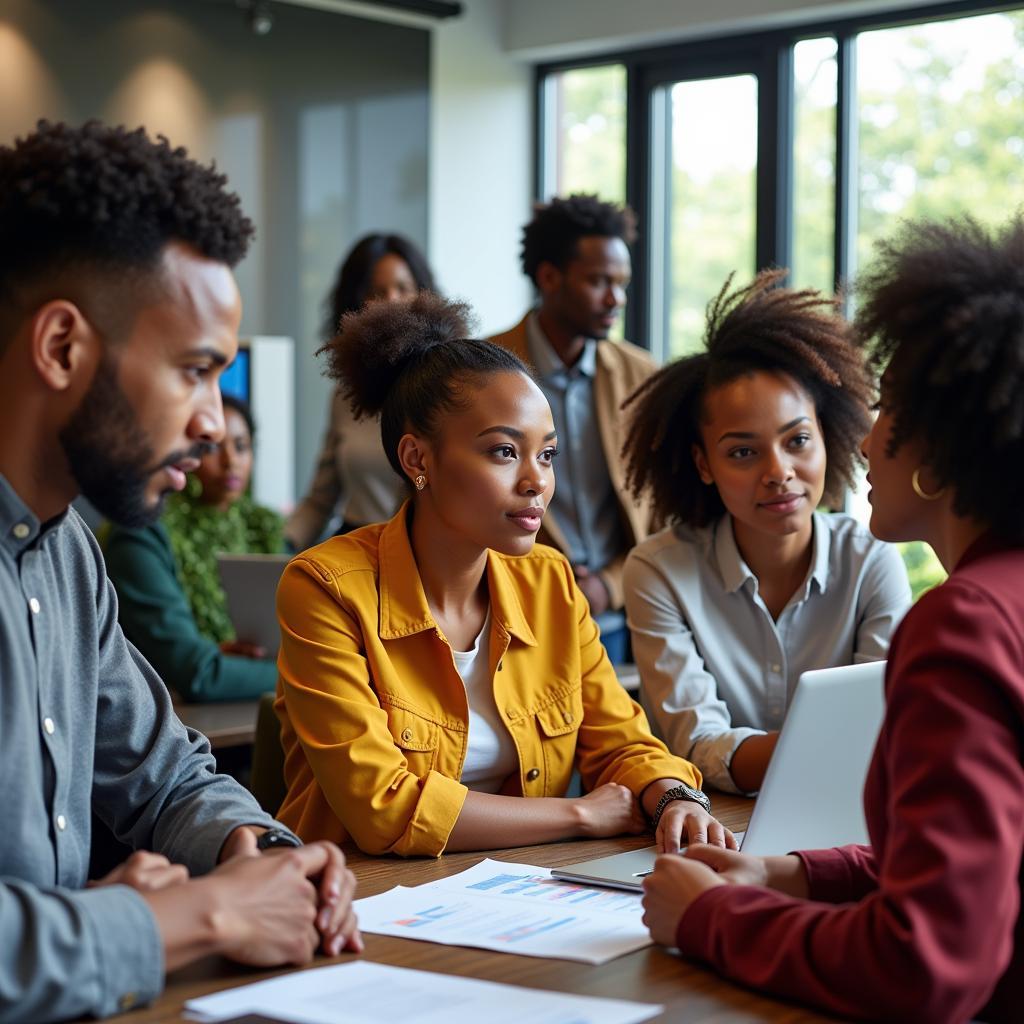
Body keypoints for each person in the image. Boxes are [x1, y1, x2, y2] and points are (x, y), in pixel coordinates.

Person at [0, 120, 360, 1024]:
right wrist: (186, 916)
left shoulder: (68, 553)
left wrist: (262, 855)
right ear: (61, 349)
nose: (212, 422)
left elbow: (166, 776)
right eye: (196, 371)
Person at [641, 215, 1024, 1024]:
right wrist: (804, 875)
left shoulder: (965, 622)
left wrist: (711, 916)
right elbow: (987, 865)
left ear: (935, 451)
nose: (866, 433)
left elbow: (928, 962)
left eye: (884, 408)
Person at [275, 292, 735, 858]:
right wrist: (582, 814)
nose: (536, 481)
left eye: (547, 455)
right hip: (358, 899)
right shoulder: (325, 586)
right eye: (502, 451)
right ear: (418, 460)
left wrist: (673, 797)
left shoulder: (550, 583)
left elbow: (623, 744)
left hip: (511, 890)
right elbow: (385, 809)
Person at [621, 270, 910, 793]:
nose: (778, 471)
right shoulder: (658, 571)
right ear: (703, 464)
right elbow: (695, 744)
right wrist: (832, 743)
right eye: (743, 452)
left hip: (849, 819)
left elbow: (887, 730)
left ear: (828, 436)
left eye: (797, 439)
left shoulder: (872, 561)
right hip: (712, 825)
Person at [487, 195, 655, 663]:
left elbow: (665, 507)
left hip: (621, 619)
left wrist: (609, 584)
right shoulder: (481, 372)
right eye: (599, 281)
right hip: (512, 610)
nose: (615, 299)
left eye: (621, 284)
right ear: (549, 277)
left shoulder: (641, 376)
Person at [105, 394, 284, 701]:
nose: (231, 462)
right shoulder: (141, 534)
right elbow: (198, 673)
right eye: (211, 448)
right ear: (180, 452)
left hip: (255, 711)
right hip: (171, 726)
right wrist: (312, 672)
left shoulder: (264, 527)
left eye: (241, 446)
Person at [286, 233, 436, 548]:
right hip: (356, 554)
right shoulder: (345, 395)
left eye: (402, 288)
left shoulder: (447, 386)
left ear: (423, 296)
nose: (392, 300)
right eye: (376, 291)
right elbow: (320, 500)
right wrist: (278, 547)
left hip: (427, 557)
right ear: (355, 304)